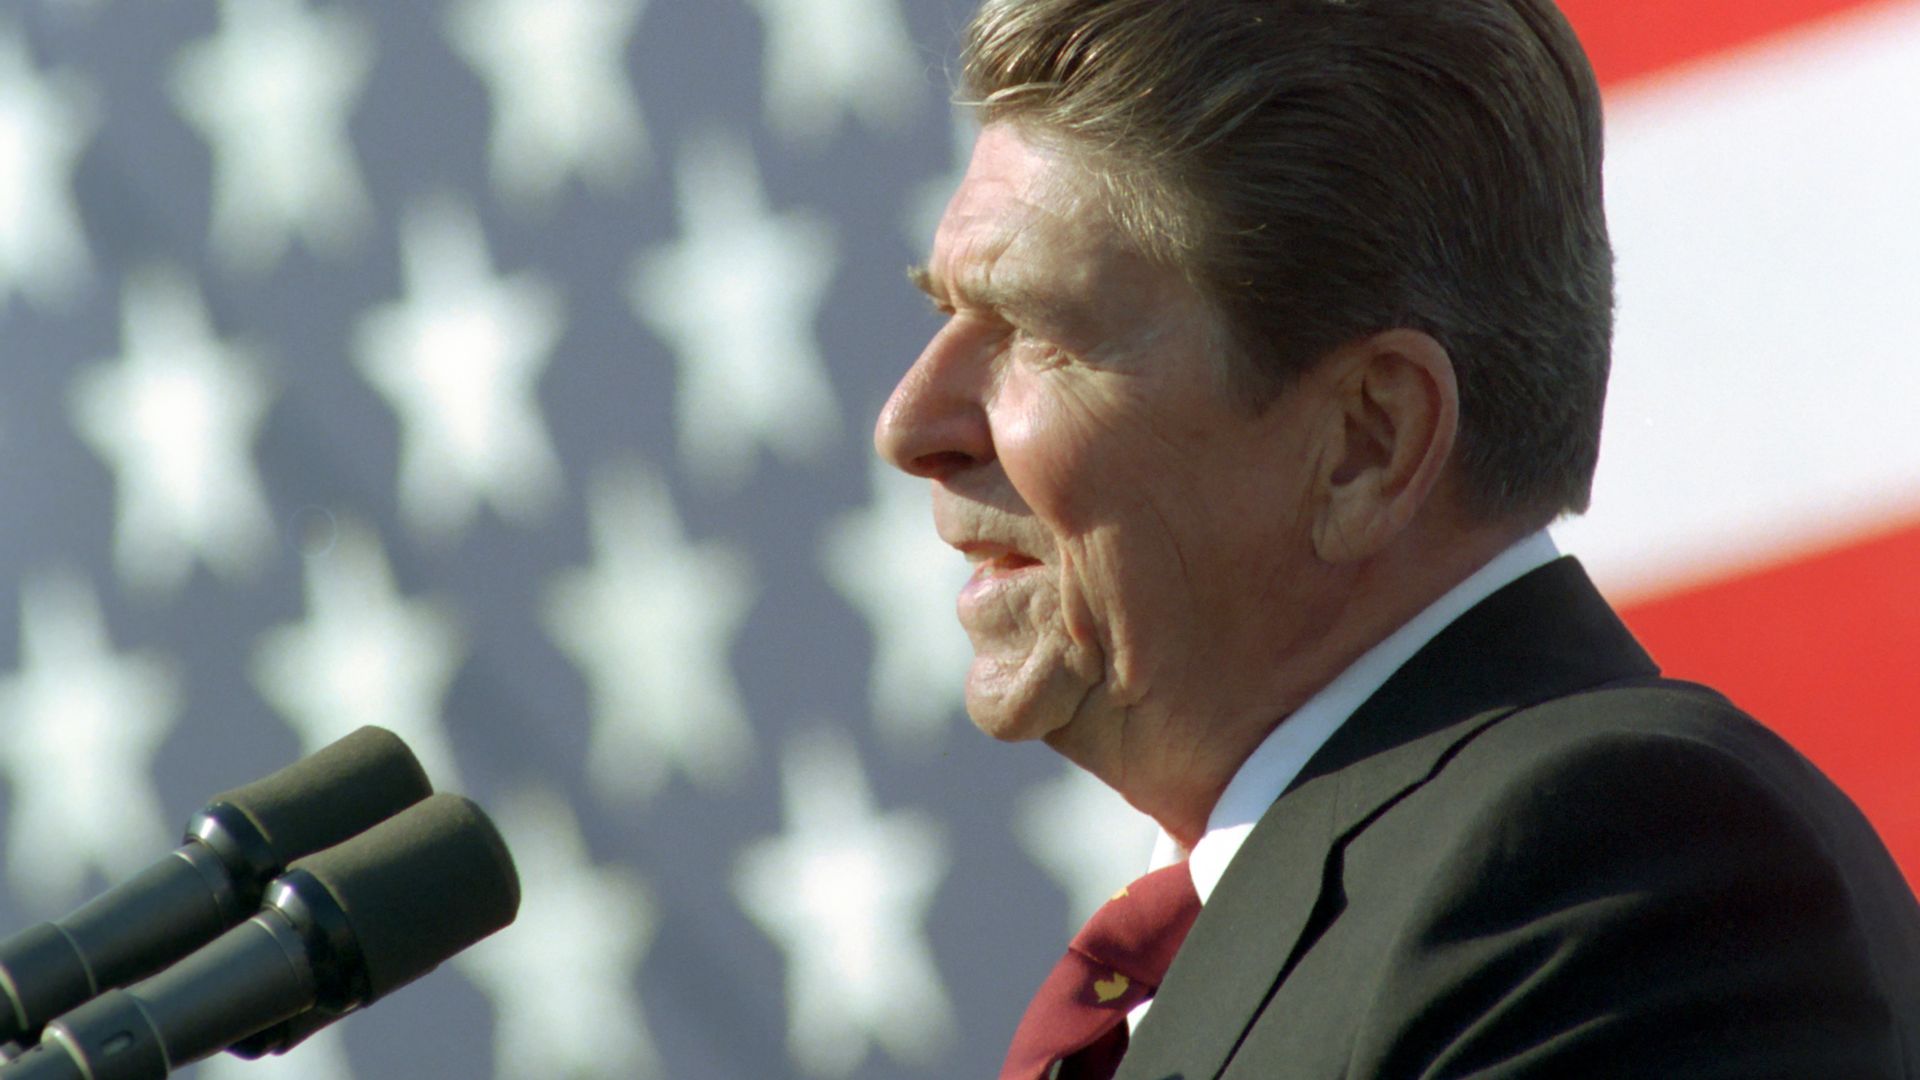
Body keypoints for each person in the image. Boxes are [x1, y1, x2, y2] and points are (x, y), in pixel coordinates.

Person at [873, 0, 1920, 1076]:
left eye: (1034, 331)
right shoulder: (1260, 931)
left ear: (1367, 442)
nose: (910, 426)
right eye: (944, 316)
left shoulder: (1607, 870)